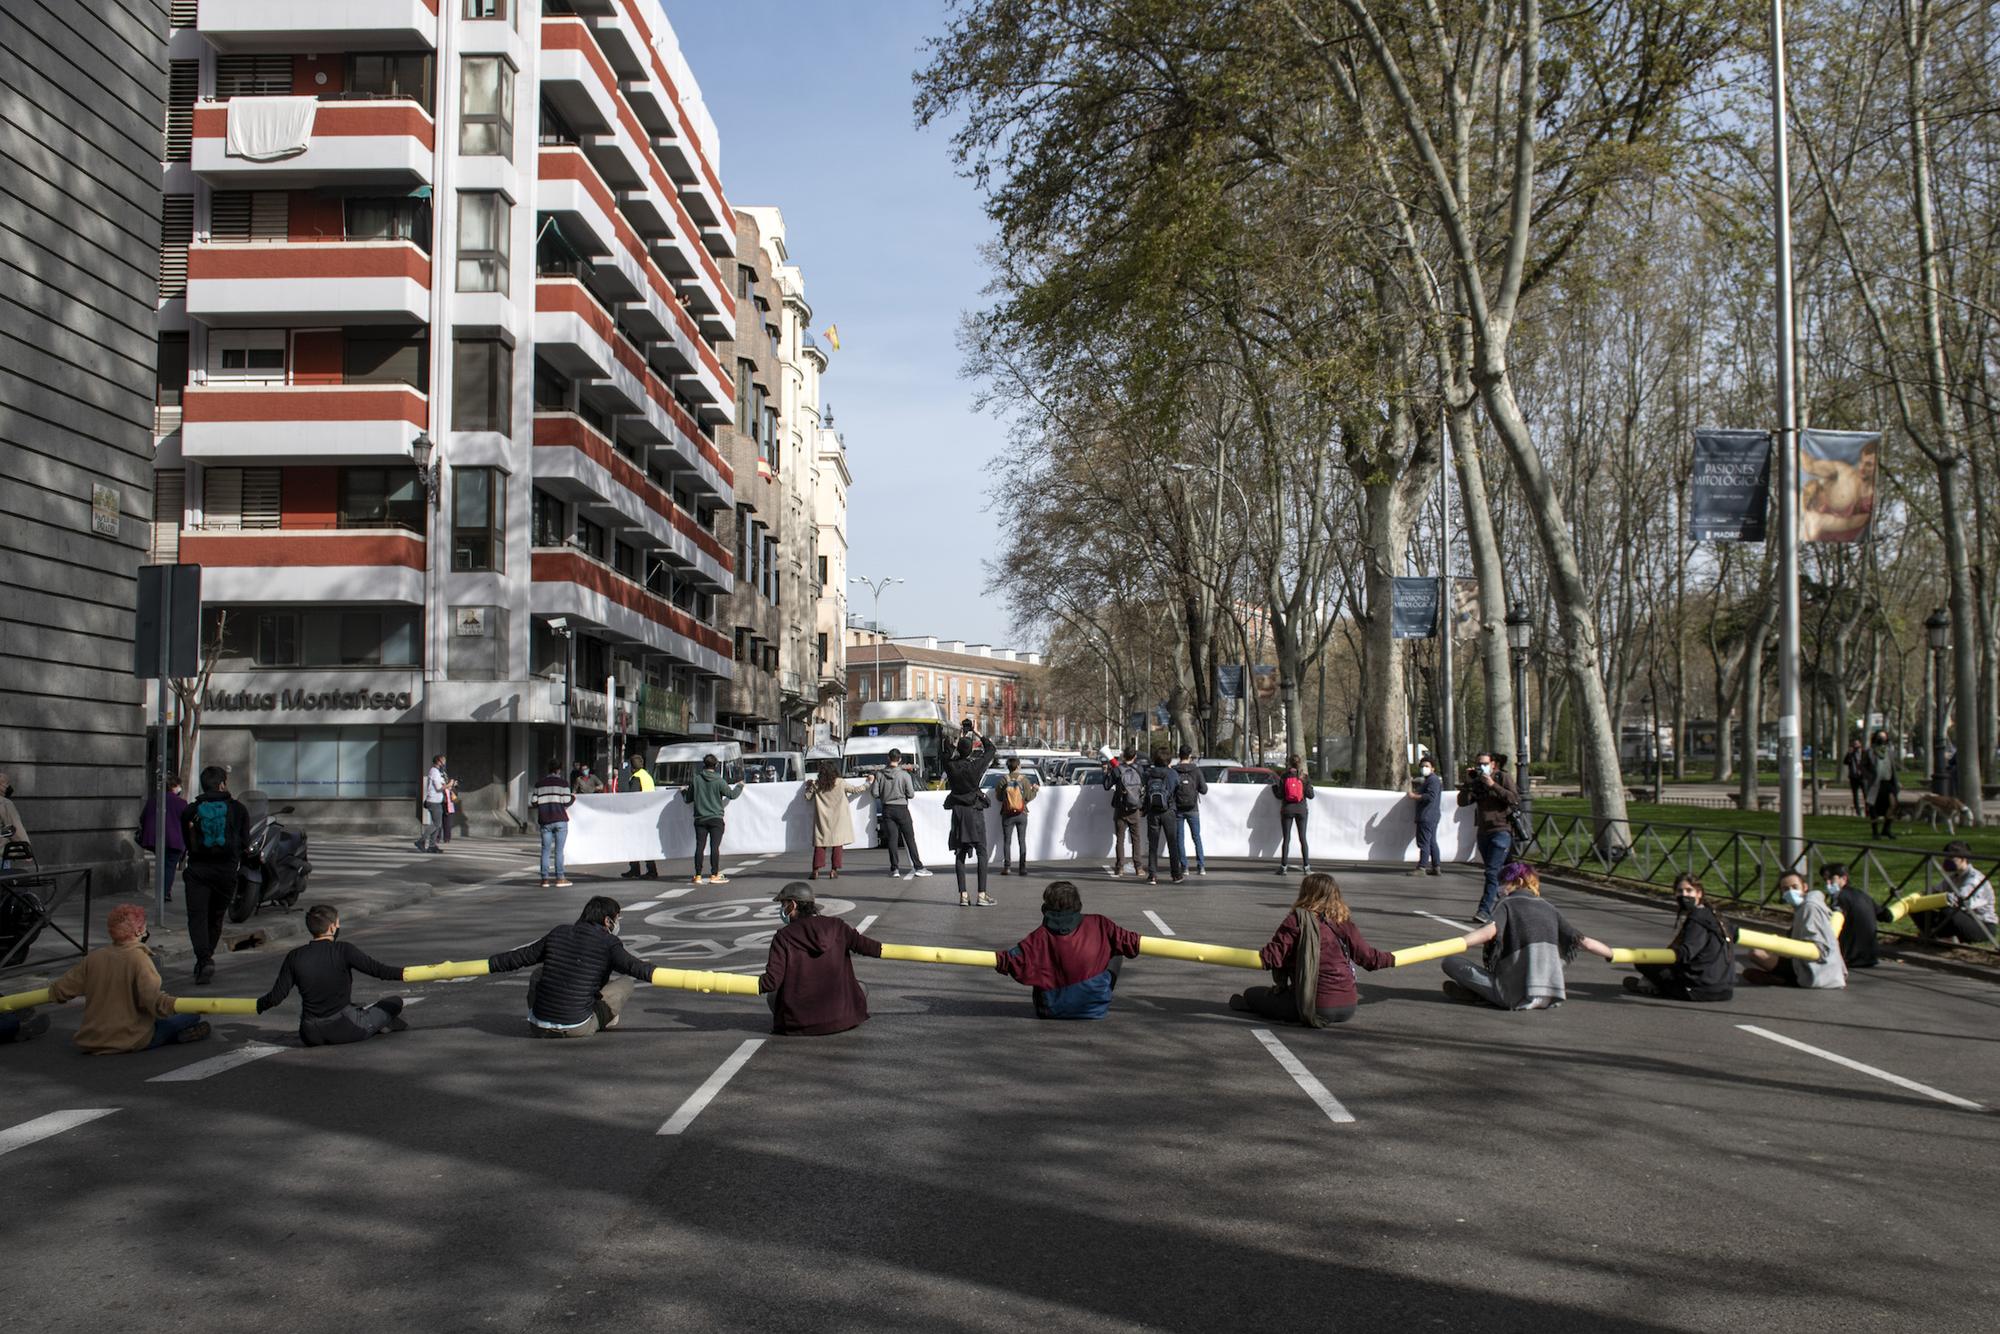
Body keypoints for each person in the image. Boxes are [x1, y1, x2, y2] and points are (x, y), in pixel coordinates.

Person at [1441, 862, 1615, 1010]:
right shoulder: (1549, 908)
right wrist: (1612, 954)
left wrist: (1457, 943)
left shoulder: (1507, 903)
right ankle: (1479, 995)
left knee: (1450, 962)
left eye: (1504, 882)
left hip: (1511, 996)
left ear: (1518, 881)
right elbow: (1584, 942)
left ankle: (1481, 994)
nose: (1500, 888)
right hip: (1549, 996)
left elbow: (1488, 932)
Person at [1230, 872, 1393, 1026]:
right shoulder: (1343, 923)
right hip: (1348, 1005)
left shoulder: (1297, 921)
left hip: (1315, 1005)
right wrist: (1392, 959)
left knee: (1252, 994)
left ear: (1306, 894)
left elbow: (1271, 958)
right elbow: (1370, 958)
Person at [44, 905, 210, 1052]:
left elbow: (62, 989)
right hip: (131, 1039)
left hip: (92, 1039)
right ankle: (173, 1036)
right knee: (190, 1016)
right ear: (139, 931)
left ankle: (174, 1035)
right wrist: (177, 1004)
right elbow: (153, 1000)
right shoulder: (139, 959)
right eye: (144, 925)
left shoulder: (94, 957)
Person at [487, 895, 652, 1037]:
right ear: (607, 921)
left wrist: (490, 963)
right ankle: (604, 1018)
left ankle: (547, 1016)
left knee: (539, 973)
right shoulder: (609, 943)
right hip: (577, 1027)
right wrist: (675, 978)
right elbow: (635, 967)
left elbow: (521, 956)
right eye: (617, 918)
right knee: (626, 983)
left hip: (538, 1026)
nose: (617, 922)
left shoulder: (559, 932)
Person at [254, 904, 409, 1045]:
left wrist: (258, 1005)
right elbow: (379, 970)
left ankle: (370, 1019)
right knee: (395, 1002)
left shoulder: (294, 956)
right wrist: (409, 973)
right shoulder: (343, 950)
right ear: (332, 928)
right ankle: (380, 1024)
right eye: (338, 923)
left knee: (357, 1008)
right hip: (344, 1028)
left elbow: (276, 997)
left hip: (310, 1033)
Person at [993, 880, 1142, 1020]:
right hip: (1095, 1009)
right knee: (1115, 947)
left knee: (1037, 959)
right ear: (1078, 905)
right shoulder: (1100, 923)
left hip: (1050, 1010)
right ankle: (1097, 996)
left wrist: (998, 959)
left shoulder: (1038, 937)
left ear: (1045, 909)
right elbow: (1130, 942)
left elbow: (1013, 961)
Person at [760, 882, 884, 1036]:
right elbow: (869, 947)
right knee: (861, 987)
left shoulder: (783, 937)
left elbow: (772, 982)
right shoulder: (837, 926)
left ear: (792, 905)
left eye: (783, 905)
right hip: (843, 1019)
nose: (781, 909)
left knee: (772, 996)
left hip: (800, 1024)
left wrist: (738, 983)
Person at [178, 764, 249, 986]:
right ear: (222, 784)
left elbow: (186, 842)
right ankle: (206, 957)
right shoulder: (238, 809)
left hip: (198, 870)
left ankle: (204, 959)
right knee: (216, 916)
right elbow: (245, 842)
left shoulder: (191, 811)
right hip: (226, 872)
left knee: (197, 917)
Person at [1623, 874, 1734, 1002]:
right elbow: (1734, 933)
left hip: (1699, 990)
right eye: (1680, 891)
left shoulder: (1697, 919)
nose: (1684, 895)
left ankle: (1654, 987)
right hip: (1725, 990)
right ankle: (1654, 984)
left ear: (1699, 893)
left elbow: (1686, 953)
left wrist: (1662, 958)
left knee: (1642, 961)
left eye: (1688, 890)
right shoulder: (1717, 916)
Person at [1743, 870, 1845, 988]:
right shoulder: (1804, 907)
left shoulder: (1810, 908)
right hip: (1804, 963)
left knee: (1756, 953)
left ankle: (1786, 979)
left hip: (1813, 970)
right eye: (1786, 889)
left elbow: (1819, 950)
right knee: (1761, 950)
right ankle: (1780, 977)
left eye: (1795, 887)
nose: (1791, 892)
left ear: (1805, 887)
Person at [1458, 752, 1518, 922]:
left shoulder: (1502, 777)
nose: (1481, 766)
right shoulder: (1476, 781)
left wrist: (1493, 785)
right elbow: (1462, 802)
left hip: (1501, 830)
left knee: (1491, 872)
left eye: (1484, 763)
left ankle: (1484, 910)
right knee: (1504, 871)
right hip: (1484, 832)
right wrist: (1467, 784)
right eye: (1478, 763)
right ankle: (1514, 902)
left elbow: (1514, 798)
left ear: (1493, 764)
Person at [942, 724, 997, 907]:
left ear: (958, 749)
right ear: (971, 750)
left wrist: (958, 737)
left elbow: (946, 750)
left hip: (958, 811)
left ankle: (963, 895)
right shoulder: (975, 766)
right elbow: (991, 749)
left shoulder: (950, 766)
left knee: (960, 854)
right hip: (974, 811)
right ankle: (981, 894)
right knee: (981, 852)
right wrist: (977, 733)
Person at [1914, 840, 1996, 945]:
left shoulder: (1975, 879)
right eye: (1945, 857)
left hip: (1982, 926)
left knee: (1948, 909)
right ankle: (1934, 935)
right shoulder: (1953, 877)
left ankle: (1945, 937)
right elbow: (1935, 891)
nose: (1947, 861)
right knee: (1917, 905)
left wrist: (1938, 899)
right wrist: (1919, 898)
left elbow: (1960, 902)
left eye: (1951, 858)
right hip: (1960, 919)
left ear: (1963, 859)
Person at [869, 749, 932, 881]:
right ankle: (918, 867)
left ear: (888, 758)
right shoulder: (905, 775)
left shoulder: (880, 775)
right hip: (902, 808)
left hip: (887, 808)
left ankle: (895, 868)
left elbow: (874, 793)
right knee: (910, 839)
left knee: (892, 839)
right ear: (900, 759)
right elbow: (911, 794)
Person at [804, 760, 868, 879]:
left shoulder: (816, 784)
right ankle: (834, 870)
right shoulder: (840, 782)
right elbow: (855, 790)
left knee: (820, 845)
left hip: (822, 819)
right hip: (839, 819)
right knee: (837, 844)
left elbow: (807, 797)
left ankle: (815, 870)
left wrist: (808, 786)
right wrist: (868, 783)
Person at [687, 753, 743, 885]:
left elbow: (688, 798)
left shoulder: (696, 780)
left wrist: (683, 791)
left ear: (703, 765)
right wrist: (740, 786)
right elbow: (732, 795)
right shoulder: (719, 781)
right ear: (716, 765)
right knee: (714, 847)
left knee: (699, 846)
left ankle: (698, 875)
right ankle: (714, 874)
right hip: (716, 819)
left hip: (700, 819)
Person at [135, 775, 189, 903]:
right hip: (175, 840)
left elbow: (143, 818)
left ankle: (161, 891)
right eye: (178, 786)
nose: (180, 788)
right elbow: (187, 821)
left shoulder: (154, 800)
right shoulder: (181, 803)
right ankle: (165, 892)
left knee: (162, 864)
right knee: (170, 866)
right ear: (174, 787)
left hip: (156, 839)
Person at [1141, 747, 1183, 885]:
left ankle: (1152, 875)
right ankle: (1175, 874)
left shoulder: (1149, 773)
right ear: (1169, 760)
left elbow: (1144, 788)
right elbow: (1178, 788)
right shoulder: (1172, 774)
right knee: (1172, 843)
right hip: (1169, 811)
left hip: (1153, 811)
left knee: (1153, 844)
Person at [531, 758, 574, 889]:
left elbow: (534, 802)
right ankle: (560, 878)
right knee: (559, 851)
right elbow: (567, 801)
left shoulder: (539, 784)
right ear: (559, 769)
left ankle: (544, 879)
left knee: (545, 850)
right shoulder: (563, 783)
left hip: (545, 821)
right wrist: (573, 798)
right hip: (560, 820)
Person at [1825, 862, 1878, 969]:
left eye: (1831, 879)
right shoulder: (1863, 895)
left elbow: (1832, 926)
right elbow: (1887, 916)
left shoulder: (1840, 898)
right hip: (1871, 957)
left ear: (1844, 878)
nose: (1828, 883)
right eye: (1825, 880)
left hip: (1849, 959)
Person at [1102, 748, 1144, 877]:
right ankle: (1139, 868)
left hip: (1120, 808)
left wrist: (1106, 771)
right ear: (1135, 756)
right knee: (1136, 839)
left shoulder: (1117, 770)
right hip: (1135, 808)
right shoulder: (1140, 769)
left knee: (1120, 839)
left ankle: (1120, 867)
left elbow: (1106, 786)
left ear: (1123, 756)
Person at [995, 756, 1039, 877]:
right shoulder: (1024, 780)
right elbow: (1028, 797)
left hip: (1007, 814)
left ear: (1008, 767)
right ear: (1018, 766)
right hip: (1021, 813)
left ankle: (1007, 867)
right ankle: (1022, 868)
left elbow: (998, 797)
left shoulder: (1003, 780)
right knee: (1022, 841)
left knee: (1007, 841)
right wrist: (1035, 790)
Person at [1271, 753, 1315, 875]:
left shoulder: (1285, 776)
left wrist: (1274, 788)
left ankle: (1283, 867)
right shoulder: (1304, 777)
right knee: (1303, 838)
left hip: (1287, 810)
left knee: (1286, 839)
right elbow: (1311, 796)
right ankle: (1306, 867)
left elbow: (1280, 795)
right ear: (1300, 763)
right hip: (1301, 810)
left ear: (1289, 763)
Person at [1170, 747, 1209, 877]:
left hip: (1178, 808)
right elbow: (1204, 790)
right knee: (1196, 837)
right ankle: (1201, 866)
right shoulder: (1196, 770)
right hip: (1193, 809)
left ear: (1179, 755)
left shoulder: (1174, 770)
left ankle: (1184, 867)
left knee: (1179, 838)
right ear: (1190, 755)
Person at [621, 751, 660, 880]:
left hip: (638, 816)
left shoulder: (636, 777)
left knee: (635, 842)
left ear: (632, 767)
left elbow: (634, 798)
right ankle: (648, 869)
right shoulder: (647, 776)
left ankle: (638, 869)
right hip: (648, 814)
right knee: (645, 843)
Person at [1407, 757, 1443, 875]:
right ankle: (1436, 866)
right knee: (1432, 841)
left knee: (1424, 842)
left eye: (1427, 766)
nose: (1424, 768)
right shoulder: (1430, 780)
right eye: (1422, 766)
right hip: (1431, 815)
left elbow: (1430, 796)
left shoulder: (1432, 780)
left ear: (1433, 768)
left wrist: (1414, 796)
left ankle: (1422, 867)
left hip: (1426, 815)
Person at [1863, 730, 1899, 840]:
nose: (1882, 739)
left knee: (1893, 804)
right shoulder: (1869, 751)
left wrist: (1896, 781)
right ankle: (1875, 832)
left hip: (1888, 782)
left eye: (1884, 737)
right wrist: (1870, 777)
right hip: (1875, 784)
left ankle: (1886, 829)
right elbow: (1863, 767)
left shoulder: (1889, 751)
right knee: (1873, 808)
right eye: (1880, 737)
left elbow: (1892, 767)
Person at [417, 753, 449, 852]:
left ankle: (432, 845)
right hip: (433, 801)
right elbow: (439, 787)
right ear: (438, 761)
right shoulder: (434, 771)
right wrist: (449, 785)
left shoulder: (438, 772)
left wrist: (449, 784)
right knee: (436, 824)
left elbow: (441, 785)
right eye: (443, 761)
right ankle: (421, 840)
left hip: (437, 801)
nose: (444, 763)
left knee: (438, 824)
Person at [0, 768, 28, 870]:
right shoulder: (4, 803)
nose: (8, 787)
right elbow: (15, 827)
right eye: (6, 784)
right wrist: (26, 848)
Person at [1842, 737, 1868, 818]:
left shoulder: (1864, 753)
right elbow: (1845, 762)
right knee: (1855, 795)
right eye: (1854, 744)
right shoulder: (1851, 754)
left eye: (1857, 743)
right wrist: (1849, 753)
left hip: (1863, 777)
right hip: (1853, 777)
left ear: (1860, 744)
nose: (1855, 745)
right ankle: (1858, 812)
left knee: (1866, 795)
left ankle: (1868, 811)